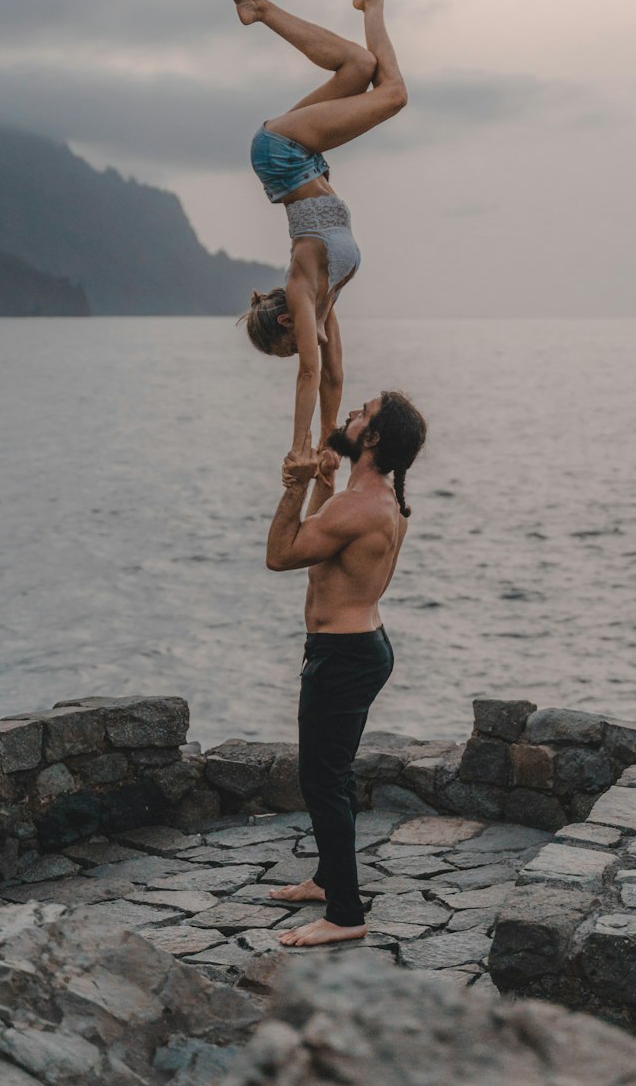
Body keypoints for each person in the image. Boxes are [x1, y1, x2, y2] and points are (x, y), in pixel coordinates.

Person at [207, 0, 407, 480]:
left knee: (392, 96)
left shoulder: (302, 285)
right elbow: (333, 377)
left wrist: (297, 447)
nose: (299, 350)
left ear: (283, 323)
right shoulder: (324, 305)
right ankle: (367, 4)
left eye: (287, 346)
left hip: (283, 154)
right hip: (298, 159)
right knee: (361, 68)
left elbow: (309, 375)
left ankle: (267, 7)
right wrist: (329, 446)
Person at [264, 389, 427, 946]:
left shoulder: (360, 507)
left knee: (321, 779)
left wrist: (295, 482)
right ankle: (330, 878)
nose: (351, 414)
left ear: (373, 439)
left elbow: (282, 553)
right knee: (332, 775)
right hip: (358, 649)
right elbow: (323, 546)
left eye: (362, 413)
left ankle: (345, 914)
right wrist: (323, 483)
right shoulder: (373, 499)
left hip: (344, 656)